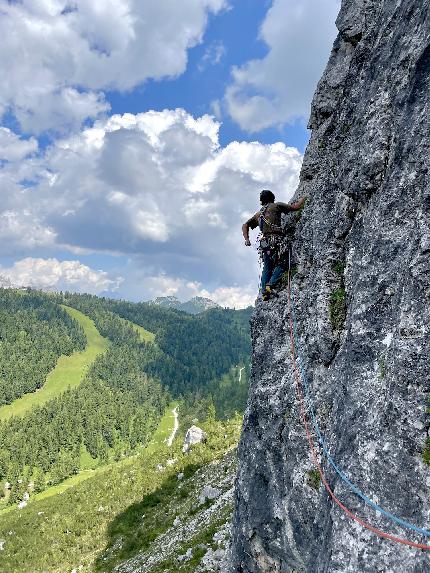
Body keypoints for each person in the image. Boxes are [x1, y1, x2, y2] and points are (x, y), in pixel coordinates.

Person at [242, 189, 306, 301]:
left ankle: (264, 291)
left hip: (264, 243)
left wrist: (247, 239)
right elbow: (296, 207)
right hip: (276, 240)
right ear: (272, 197)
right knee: (284, 263)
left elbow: (245, 225)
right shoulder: (277, 206)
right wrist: (304, 198)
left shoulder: (258, 214)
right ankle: (270, 285)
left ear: (262, 200)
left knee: (267, 266)